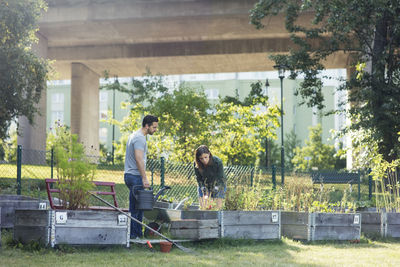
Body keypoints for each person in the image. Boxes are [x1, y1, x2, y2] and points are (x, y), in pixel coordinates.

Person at [124, 115, 158, 239]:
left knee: (137, 207)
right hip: (135, 176)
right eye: (154, 127)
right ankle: (133, 236)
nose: (155, 130)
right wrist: (144, 178)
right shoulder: (140, 139)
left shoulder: (134, 135)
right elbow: (139, 159)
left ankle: (136, 234)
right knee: (136, 209)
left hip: (129, 175)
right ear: (147, 126)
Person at [194, 145, 227, 209]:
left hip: (219, 184)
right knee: (203, 207)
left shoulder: (217, 162)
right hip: (205, 184)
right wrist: (203, 188)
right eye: (201, 158)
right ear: (198, 158)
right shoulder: (196, 164)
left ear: (209, 154)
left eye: (206, 157)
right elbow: (198, 178)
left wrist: (216, 188)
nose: (204, 160)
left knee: (217, 208)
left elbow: (220, 178)